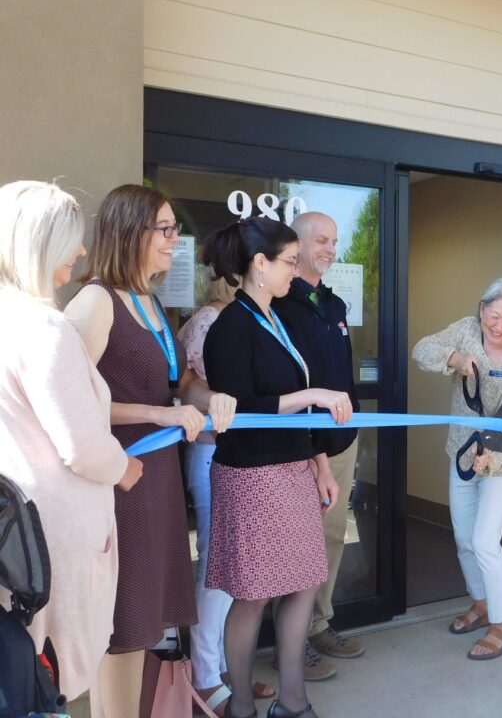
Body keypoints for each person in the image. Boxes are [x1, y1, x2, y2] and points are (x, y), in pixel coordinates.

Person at [64, 184, 235, 718]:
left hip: (155, 479)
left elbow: (180, 382)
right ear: (128, 231)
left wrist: (211, 395)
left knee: (141, 625)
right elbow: (69, 401)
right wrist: (158, 414)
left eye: (173, 229)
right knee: (121, 625)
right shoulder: (95, 301)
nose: (174, 239)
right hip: (120, 482)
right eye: (164, 228)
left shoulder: (151, 302)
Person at [0, 181, 142, 701]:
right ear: (37, 245)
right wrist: (123, 465)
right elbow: (83, 446)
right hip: (55, 537)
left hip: (16, 532)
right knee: (49, 678)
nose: (82, 252)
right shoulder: (44, 329)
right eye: (71, 241)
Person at [202, 217, 349, 718]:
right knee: (253, 594)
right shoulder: (231, 326)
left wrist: (319, 464)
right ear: (259, 265)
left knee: (304, 581)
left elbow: (296, 412)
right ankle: (241, 706)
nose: (295, 269)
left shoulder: (276, 319)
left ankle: (292, 700)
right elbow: (241, 407)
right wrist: (312, 393)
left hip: (292, 469)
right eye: (288, 260)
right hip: (251, 475)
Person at [412, 279, 502, 661]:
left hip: (501, 461)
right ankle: (481, 602)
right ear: (482, 310)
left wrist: (491, 455)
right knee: (465, 539)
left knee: (485, 541)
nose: (498, 325)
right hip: (461, 453)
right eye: (494, 315)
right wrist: (453, 358)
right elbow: (422, 349)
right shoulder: (466, 331)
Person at [179, 276, 277, 713]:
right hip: (213, 456)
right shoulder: (210, 320)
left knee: (236, 573)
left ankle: (226, 670)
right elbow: (195, 388)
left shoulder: (250, 317)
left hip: (241, 459)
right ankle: (205, 675)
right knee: (218, 572)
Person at [272, 211, 363, 681]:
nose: (330, 249)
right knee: (298, 546)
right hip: (300, 446)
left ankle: (317, 626)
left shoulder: (335, 305)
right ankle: (290, 638)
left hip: (341, 442)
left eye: (334, 241)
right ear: (299, 244)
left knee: (331, 537)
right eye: (321, 240)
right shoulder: (280, 305)